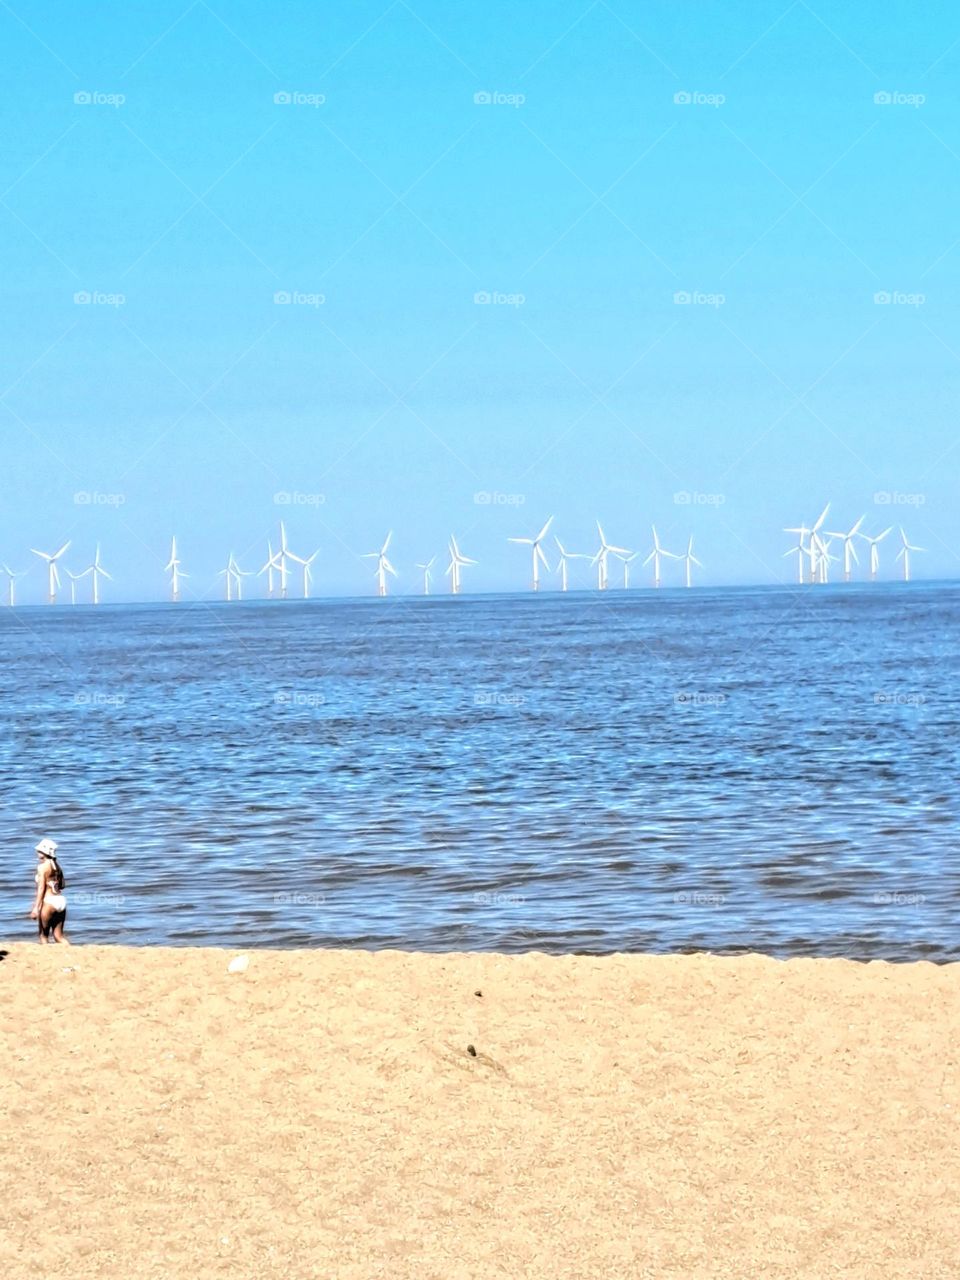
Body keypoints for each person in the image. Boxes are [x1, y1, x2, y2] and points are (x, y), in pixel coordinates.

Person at [30, 838, 70, 944]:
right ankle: (70, 950)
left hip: (49, 901)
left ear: (44, 852)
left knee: (43, 935)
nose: (37, 852)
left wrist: (36, 908)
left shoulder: (42, 867)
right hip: (61, 900)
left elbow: (41, 888)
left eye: (39, 850)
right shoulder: (57, 867)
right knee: (59, 936)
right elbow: (62, 885)